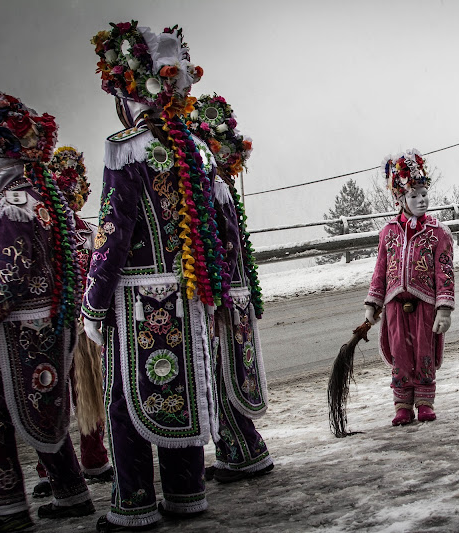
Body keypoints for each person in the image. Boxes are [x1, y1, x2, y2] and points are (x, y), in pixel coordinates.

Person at [84, 21, 224, 531]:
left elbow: (112, 231)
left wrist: (94, 303)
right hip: (189, 293)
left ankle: (135, 503)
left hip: (139, 298)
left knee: (126, 400)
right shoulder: (194, 147)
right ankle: (187, 493)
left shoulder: (127, 147)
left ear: (126, 91)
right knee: (181, 388)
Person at [0, 93, 95, 531]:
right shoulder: (37, 194)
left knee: (6, 415)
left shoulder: (10, 203)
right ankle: (71, 492)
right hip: (47, 322)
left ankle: (9, 507)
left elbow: (10, 273)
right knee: (42, 410)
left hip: (18, 328)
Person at [186, 94, 273, 483]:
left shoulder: (215, 190)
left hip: (224, 298)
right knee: (226, 374)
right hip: (229, 294)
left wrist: (215, 289)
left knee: (224, 377)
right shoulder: (220, 189)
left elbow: (224, 246)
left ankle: (243, 451)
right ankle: (236, 450)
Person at [31, 146, 113, 500]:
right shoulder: (60, 231)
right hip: (59, 322)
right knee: (59, 396)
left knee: (80, 393)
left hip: (74, 324)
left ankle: (88, 459)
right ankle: (59, 466)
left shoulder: (83, 233)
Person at [364, 149, 455, 425]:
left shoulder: (439, 233)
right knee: (400, 354)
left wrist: (444, 309)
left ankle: (425, 401)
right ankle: (402, 404)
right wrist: (372, 304)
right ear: (400, 200)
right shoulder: (388, 233)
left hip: (426, 304)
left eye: (424, 194)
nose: (421, 200)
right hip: (394, 306)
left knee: (423, 352)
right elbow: (380, 270)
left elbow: (445, 272)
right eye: (414, 196)